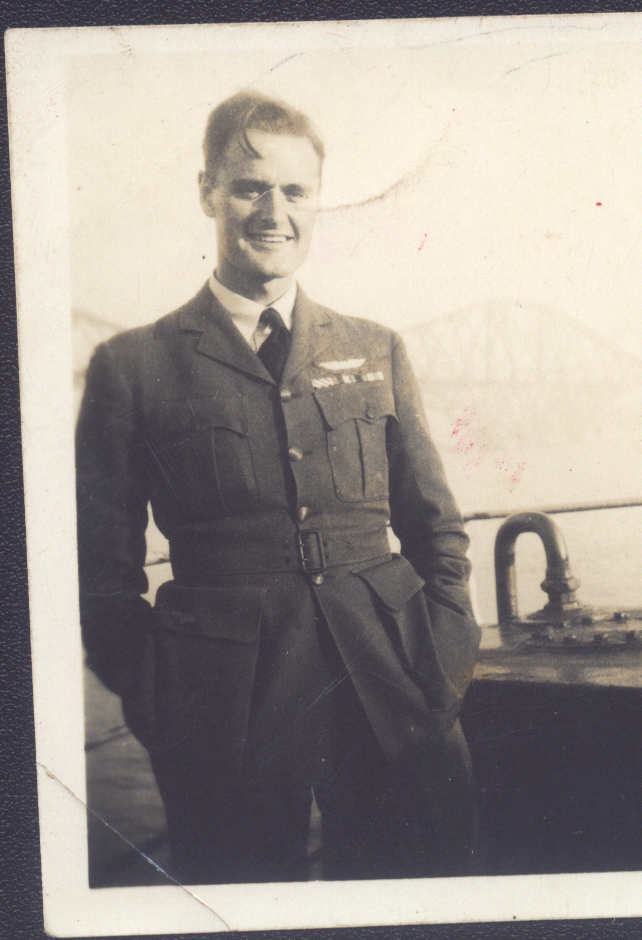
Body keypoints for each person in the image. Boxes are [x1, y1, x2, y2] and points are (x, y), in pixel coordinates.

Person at [76, 90, 481, 885]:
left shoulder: (376, 348)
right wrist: (161, 697)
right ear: (207, 193)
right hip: (221, 706)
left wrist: (440, 659)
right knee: (243, 895)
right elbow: (101, 569)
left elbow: (436, 529)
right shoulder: (136, 366)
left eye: (295, 191)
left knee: (421, 885)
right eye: (249, 186)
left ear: (317, 202)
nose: (273, 212)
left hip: (392, 680)